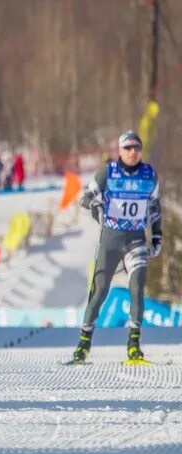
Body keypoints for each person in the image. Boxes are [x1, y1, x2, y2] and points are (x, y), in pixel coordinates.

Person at [73, 130, 162, 363]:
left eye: (137, 148)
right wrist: (92, 204)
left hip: (136, 240)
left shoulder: (149, 174)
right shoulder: (108, 172)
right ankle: (84, 343)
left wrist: (156, 237)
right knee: (100, 290)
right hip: (111, 240)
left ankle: (134, 344)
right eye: (128, 148)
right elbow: (87, 195)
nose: (133, 152)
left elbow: (154, 207)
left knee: (137, 289)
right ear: (120, 151)